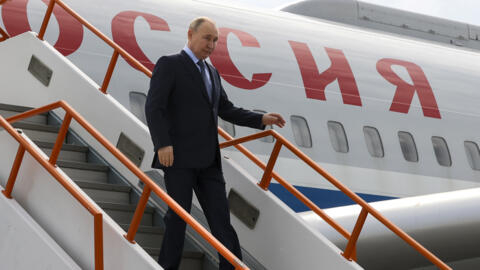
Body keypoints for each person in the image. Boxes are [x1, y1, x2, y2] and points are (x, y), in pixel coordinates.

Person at [145, 17, 285, 270]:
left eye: (215, 40)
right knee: (178, 218)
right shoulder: (170, 65)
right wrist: (162, 144)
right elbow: (155, 107)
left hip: (208, 160)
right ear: (190, 34)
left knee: (221, 220)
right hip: (178, 158)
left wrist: (261, 119)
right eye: (207, 38)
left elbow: (225, 109)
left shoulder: (212, 73)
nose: (211, 44)